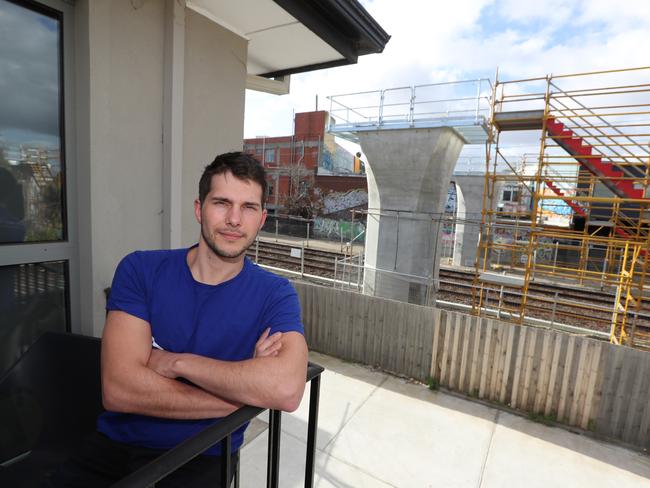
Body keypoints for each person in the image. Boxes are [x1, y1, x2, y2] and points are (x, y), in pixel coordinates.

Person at [46, 152, 308, 487]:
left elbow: (285, 389)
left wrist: (175, 363)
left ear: (261, 219)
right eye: (222, 203)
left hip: (204, 454)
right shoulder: (141, 270)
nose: (234, 219)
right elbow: (120, 389)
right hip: (115, 444)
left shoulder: (275, 294)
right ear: (200, 209)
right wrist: (238, 397)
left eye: (248, 207)